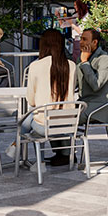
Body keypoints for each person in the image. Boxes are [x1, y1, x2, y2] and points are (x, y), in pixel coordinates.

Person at [22, 29, 80, 167]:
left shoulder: (35, 66)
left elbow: (31, 100)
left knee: (25, 122)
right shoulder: (71, 66)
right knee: (51, 115)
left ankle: (23, 155)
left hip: (45, 126)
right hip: (68, 124)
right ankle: (66, 155)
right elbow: (72, 91)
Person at [75, 29, 108, 125]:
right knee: (57, 118)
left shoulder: (104, 59)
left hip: (97, 109)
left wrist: (85, 63)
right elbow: (76, 83)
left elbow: (96, 85)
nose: (81, 42)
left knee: (66, 123)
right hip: (82, 104)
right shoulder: (82, 57)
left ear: (94, 42)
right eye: (80, 39)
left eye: (84, 39)